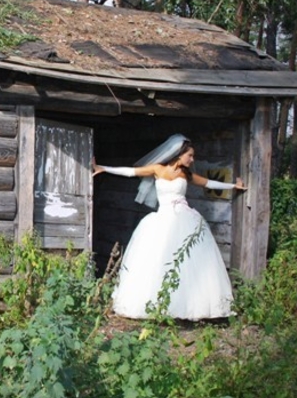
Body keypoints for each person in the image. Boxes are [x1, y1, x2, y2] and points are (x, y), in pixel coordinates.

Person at [92, 134, 246, 320]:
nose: (192, 159)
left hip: (185, 219)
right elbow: (132, 172)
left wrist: (233, 186)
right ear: (179, 154)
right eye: (190, 155)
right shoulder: (157, 169)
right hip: (163, 218)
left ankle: (189, 305)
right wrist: (103, 168)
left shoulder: (186, 174)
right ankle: (156, 305)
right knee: (157, 260)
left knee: (188, 261)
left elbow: (207, 182)